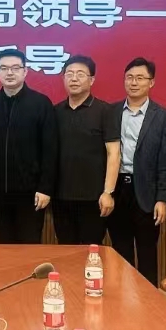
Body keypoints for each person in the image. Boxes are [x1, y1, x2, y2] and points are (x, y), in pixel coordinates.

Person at [107, 57, 166, 285]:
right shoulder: (111, 111)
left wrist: (162, 198)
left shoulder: (163, 116)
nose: (134, 82)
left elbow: (165, 159)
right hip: (117, 189)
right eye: (129, 77)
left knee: (147, 252)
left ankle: (148, 302)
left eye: (140, 78)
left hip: (147, 193)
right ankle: (121, 299)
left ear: (151, 82)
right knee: (120, 250)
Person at [0, 48, 58, 244]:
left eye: (15, 68)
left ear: (25, 71)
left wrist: (45, 188)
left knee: (29, 247)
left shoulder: (41, 103)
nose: (9, 73)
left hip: (31, 195)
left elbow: (50, 150)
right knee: (3, 247)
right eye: (4, 68)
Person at [52, 56, 120, 246]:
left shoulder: (105, 111)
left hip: (94, 198)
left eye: (80, 74)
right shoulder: (55, 112)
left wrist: (108, 192)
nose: (74, 79)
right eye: (69, 74)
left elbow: (114, 154)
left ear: (91, 80)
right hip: (61, 197)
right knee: (65, 249)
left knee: (91, 250)